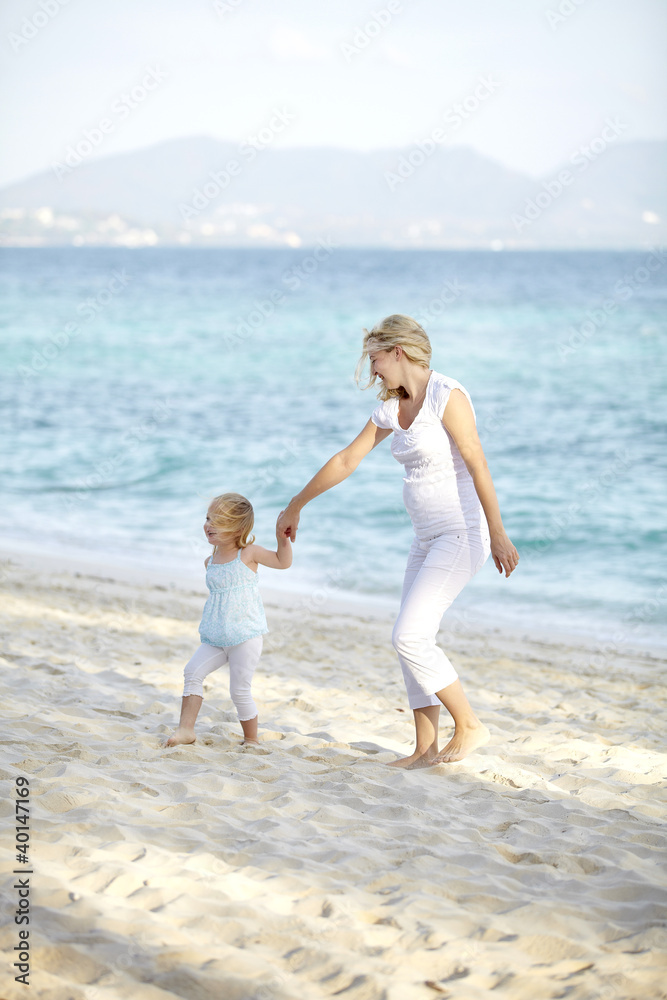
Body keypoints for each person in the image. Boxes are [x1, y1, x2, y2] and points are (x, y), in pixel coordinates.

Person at [277, 314, 518, 768]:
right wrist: (296, 504)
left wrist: (499, 533)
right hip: (425, 539)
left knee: (409, 635)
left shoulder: (447, 395)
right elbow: (348, 458)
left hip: (462, 534)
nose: (373, 370)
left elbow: (478, 461)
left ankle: (469, 725)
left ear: (398, 351)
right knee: (410, 638)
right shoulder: (393, 408)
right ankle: (424, 748)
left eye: (375, 358)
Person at [165, 492, 292, 748]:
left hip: (245, 636)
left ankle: (251, 740)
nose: (209, 525)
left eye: (218, 521)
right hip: (216, 635)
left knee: (239, 690)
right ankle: (186, 730)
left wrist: (283, 540)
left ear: (237, 528)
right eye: (208, 518)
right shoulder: (209, 561)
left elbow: (282, 562)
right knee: (192, 672)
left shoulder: (248, 554)